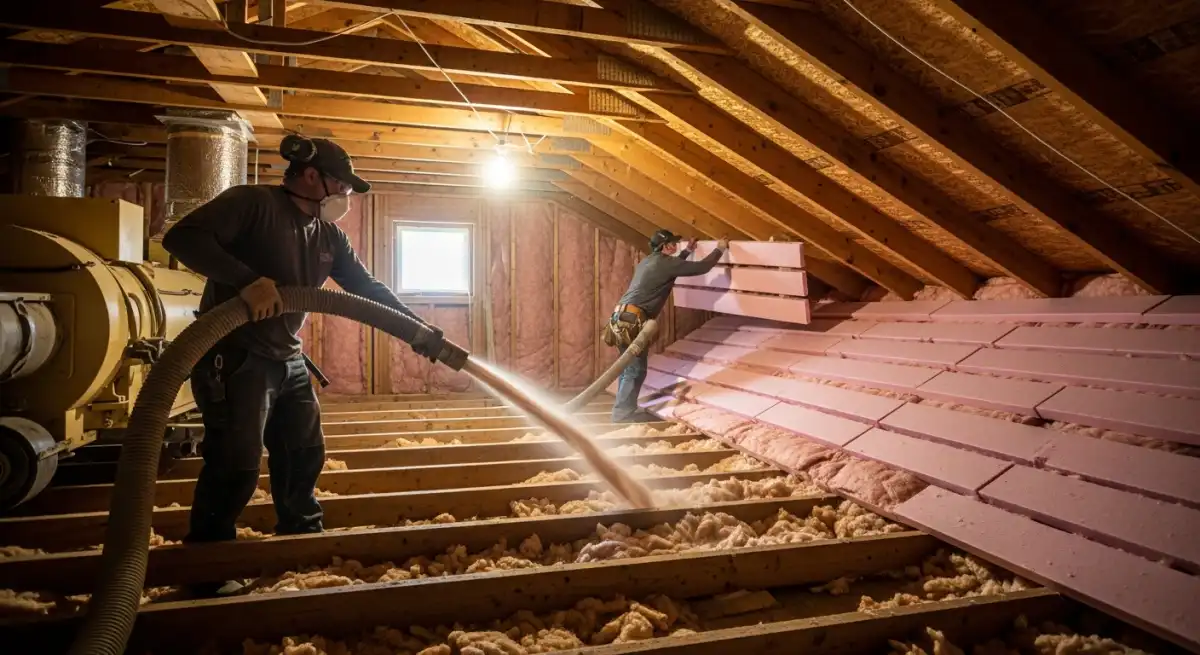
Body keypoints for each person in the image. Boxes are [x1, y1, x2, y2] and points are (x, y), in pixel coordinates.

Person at [162, 135, 445, 559]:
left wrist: (417, 329)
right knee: (236, 464)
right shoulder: (253, 204)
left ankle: (301, 541)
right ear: (311, 176)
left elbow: (365, 288)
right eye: (341, 185)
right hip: (236, 356)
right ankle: (208, 560)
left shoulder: (329, 236)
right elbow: (182, 238)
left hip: (289, 358)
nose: (346, 196)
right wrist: (245, 281)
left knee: (304, 453)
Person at [607, 230, 728, 423]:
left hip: (620, 317)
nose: (676, 246)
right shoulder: (665, 263)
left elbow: (672, 267)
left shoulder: (649, 261)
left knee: (627, 366)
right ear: (665, 246)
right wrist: (719, 249)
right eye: (673, 243)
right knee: (635, 370)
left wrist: (687, 251)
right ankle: (622, 414)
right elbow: (703, 267)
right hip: (632, 320)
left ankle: (622, 410)